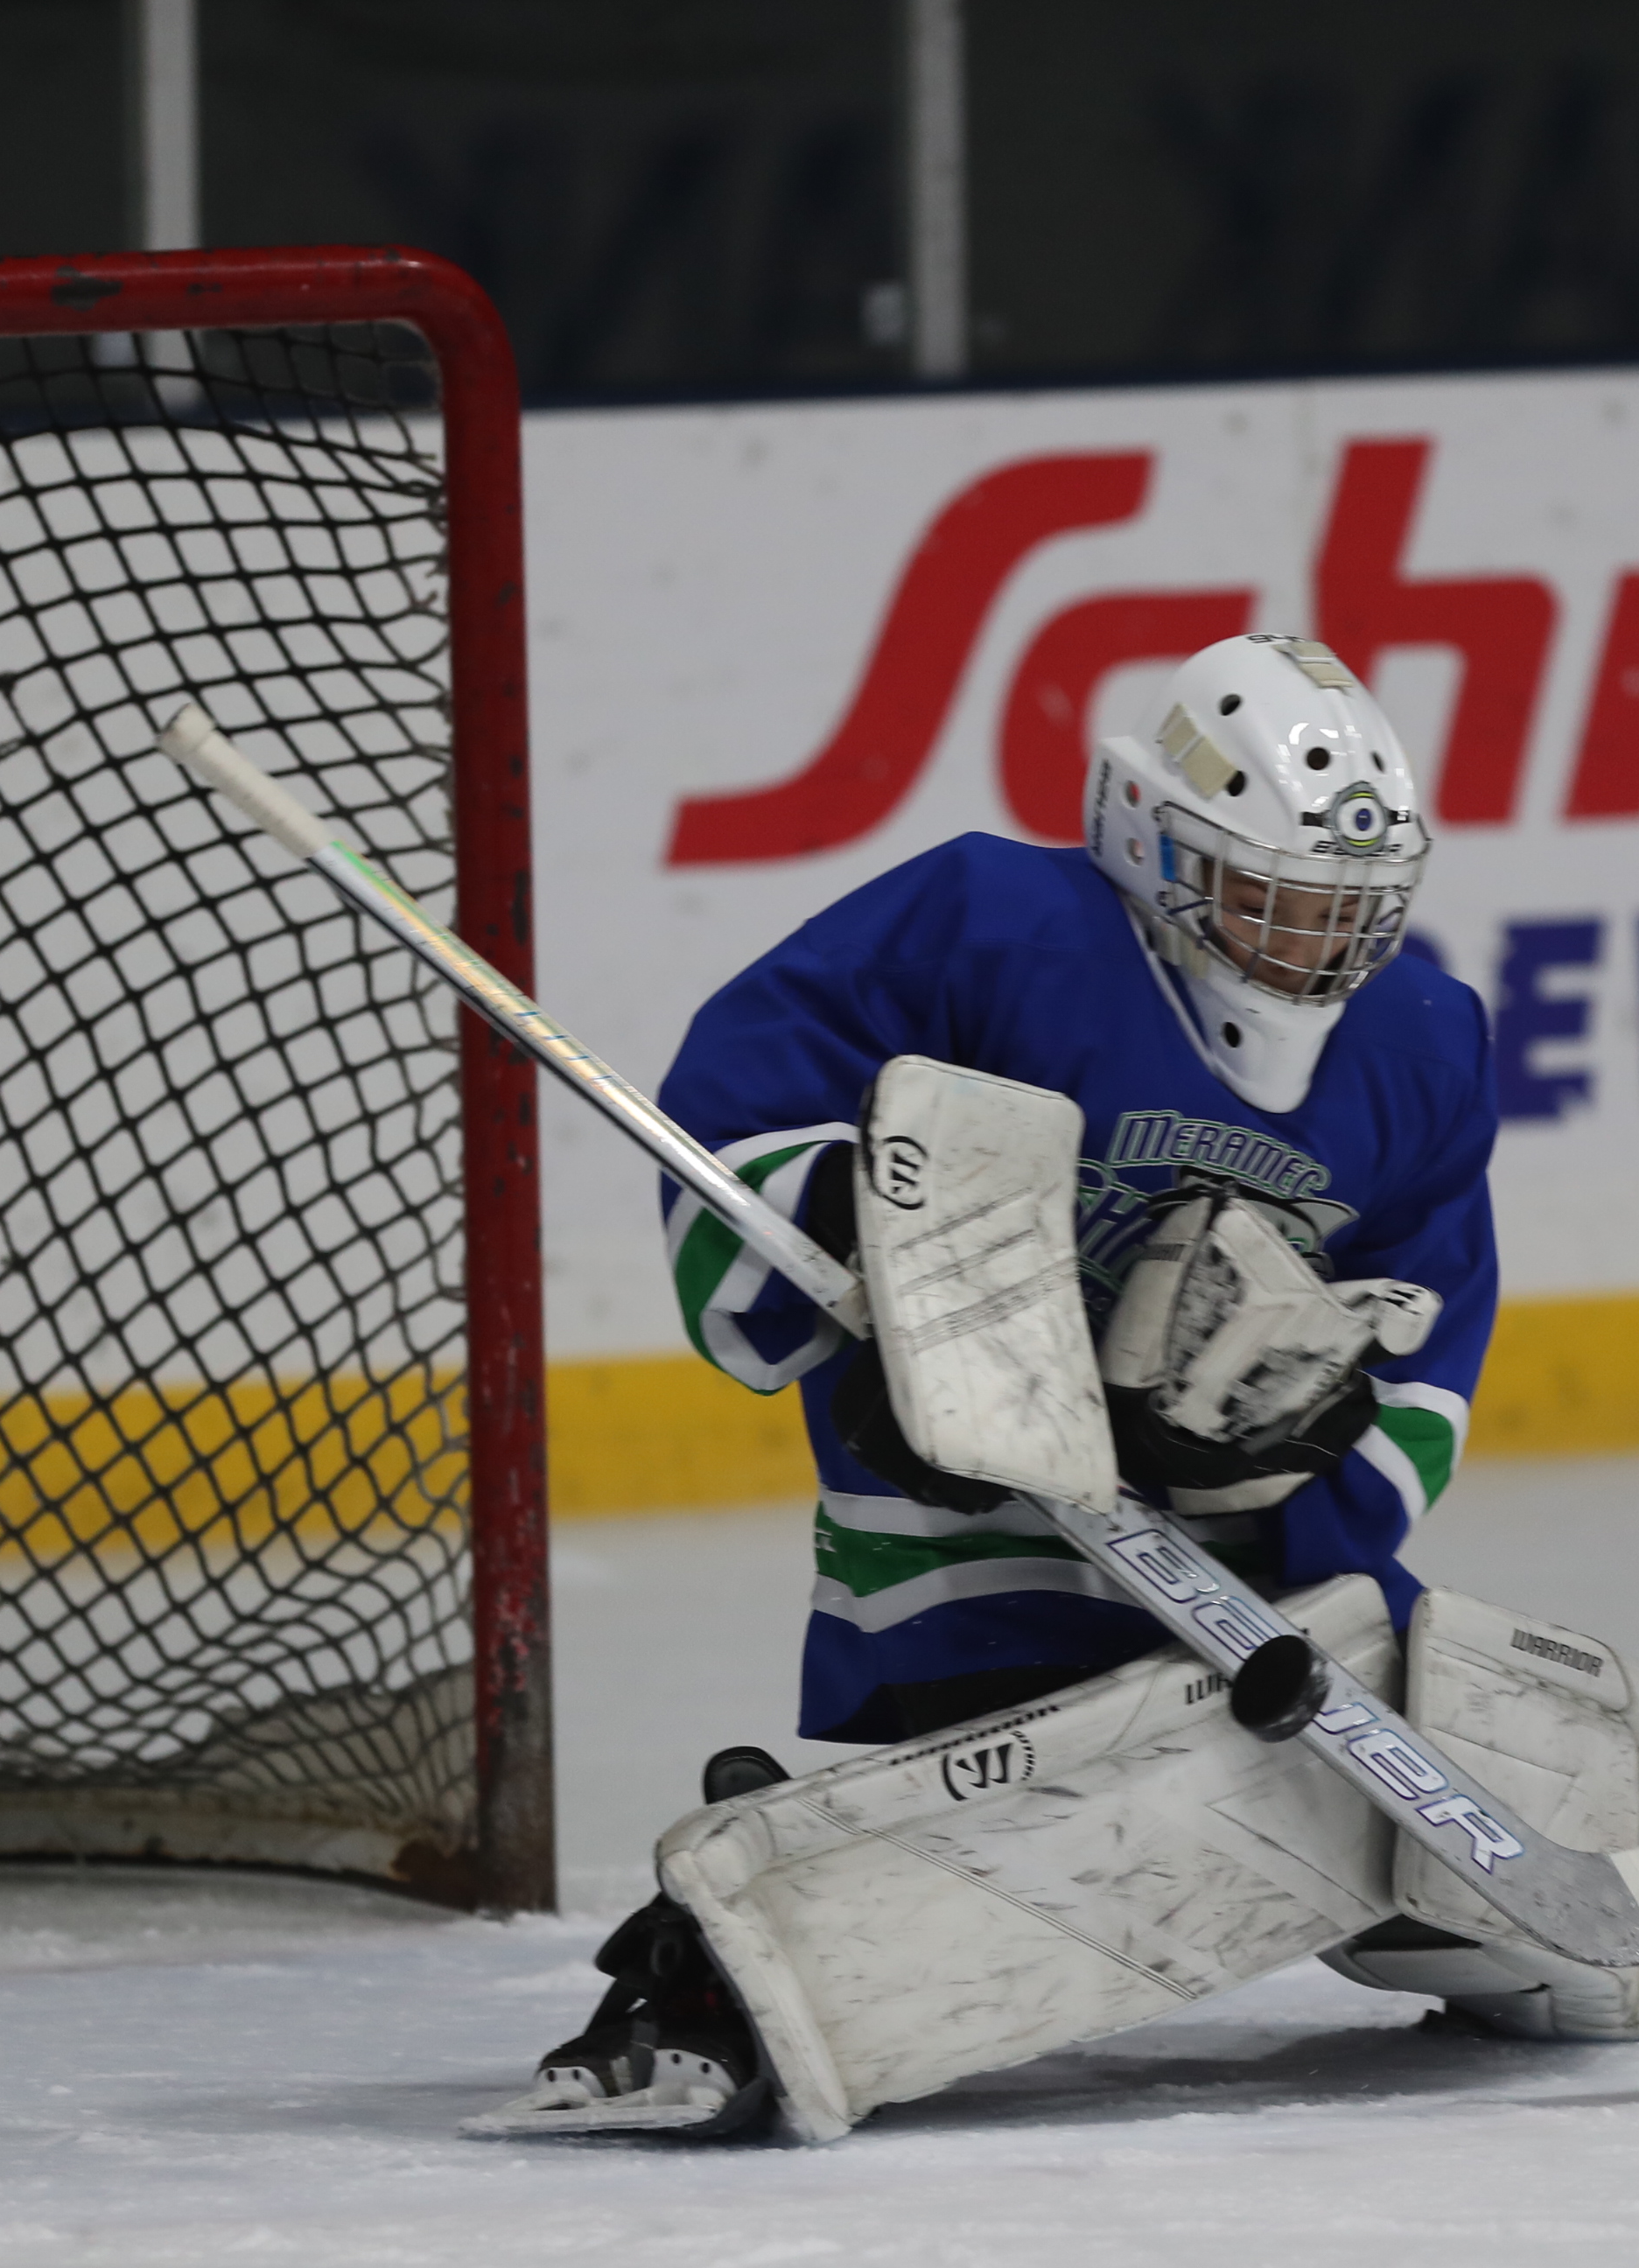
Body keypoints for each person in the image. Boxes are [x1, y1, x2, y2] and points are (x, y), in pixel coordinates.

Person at [515, 632, 1499, 2119]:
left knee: (1427, 1752)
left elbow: (1435, 1324)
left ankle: (1468, 1891)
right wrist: (858, 1248)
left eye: (1345, 913)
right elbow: (748, 1086)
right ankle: (729, 1954)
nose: (1312, 948)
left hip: (1241, 1568)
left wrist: (1305, 1460)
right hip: (962, 1519)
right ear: (1153, 840)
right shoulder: (988, 924)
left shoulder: (1423, 1038)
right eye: (1271, 899)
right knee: (1027, 1795)